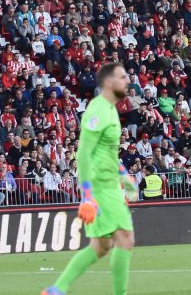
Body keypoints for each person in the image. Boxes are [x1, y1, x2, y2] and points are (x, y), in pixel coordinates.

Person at [43, 62, 139, 295]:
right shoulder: (97, 110)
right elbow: (84, 153)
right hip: (100, 187)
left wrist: (124, 176)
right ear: (108, 82)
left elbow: (108, 153)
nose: (127, 81)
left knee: (101, 246)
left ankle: (57, 289)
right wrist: (87, 196)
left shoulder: (111, 109)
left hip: (110, 185)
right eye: (122, 77)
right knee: (125, 239)